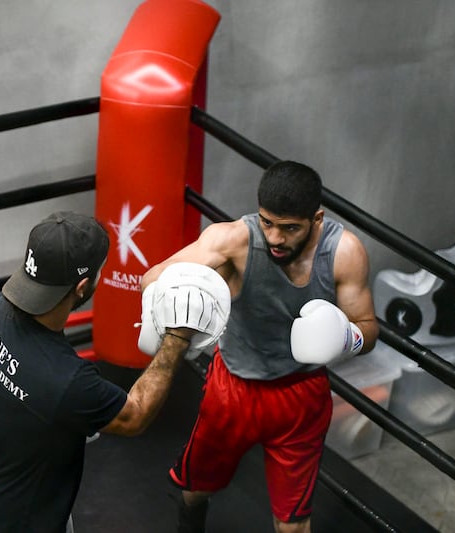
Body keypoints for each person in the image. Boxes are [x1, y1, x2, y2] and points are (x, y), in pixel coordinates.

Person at [141, 161, 379, 533]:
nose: (275, 238)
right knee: (196, 490)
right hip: (233, 387)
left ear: (316, 220)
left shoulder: (343, 252)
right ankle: (190, 521)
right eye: (267, 222)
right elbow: (153, 278)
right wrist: (172, 300)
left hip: (300, 396)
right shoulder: (232, 240)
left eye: (290, 228)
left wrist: (347, 337)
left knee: (293, 522)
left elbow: (368, 327)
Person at [0, 211, 205, 533]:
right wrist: (177, 337)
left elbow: (27, 386)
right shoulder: (67, 382)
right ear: (83, 286)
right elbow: (134, 415)